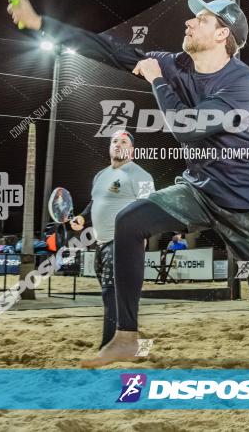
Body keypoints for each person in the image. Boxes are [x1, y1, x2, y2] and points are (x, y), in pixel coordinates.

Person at [8, 0, 249, 368]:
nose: (189, 21)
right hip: (198, 190)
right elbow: (110, 49)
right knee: (129, 221)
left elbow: (188, 128)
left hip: (246, 203)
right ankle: (126, 338)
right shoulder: (176, 64)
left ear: (222, 35)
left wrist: (156, 81)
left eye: (201, 19)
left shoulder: (245, 83)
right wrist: (40, 24)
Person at [69, 130, 155, 350]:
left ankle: (108, 347)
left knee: (111, 294)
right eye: (114, 141)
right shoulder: (100, 176)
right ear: (109, 147)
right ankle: (136, 344)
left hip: (123, 243)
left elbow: (151, 208)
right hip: (101, 244)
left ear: (132, 150)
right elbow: (95, 203)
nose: (118, 144)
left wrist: (143, 236)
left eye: (124, 141)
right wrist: (82, 217)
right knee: (116, 298)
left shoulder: (142, 176)